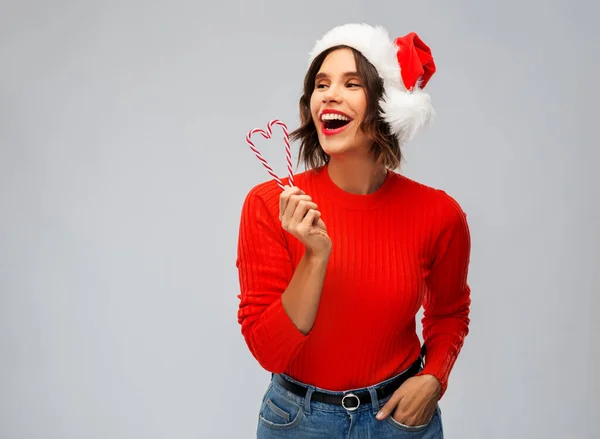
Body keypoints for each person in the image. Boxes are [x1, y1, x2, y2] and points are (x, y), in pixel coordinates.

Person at [235, 23, 471, 438]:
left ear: (386, 103)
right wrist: (314, 256)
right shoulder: (268, 205)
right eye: (321, 83)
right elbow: (269, 351)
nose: (329, 93)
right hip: (298, 421)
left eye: (352, 83)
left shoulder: (439, 213)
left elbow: (449, 312)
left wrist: (434, 378)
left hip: (398, 420)